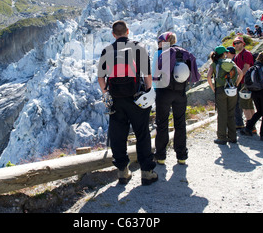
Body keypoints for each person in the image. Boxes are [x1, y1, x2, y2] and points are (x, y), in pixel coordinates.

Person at [97, 20, 158, 186]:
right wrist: (146, 92)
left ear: (113, 34)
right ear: (128, 31)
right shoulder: (139, 47)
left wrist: (107, 94)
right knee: (142, 133)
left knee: (118, 135)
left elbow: (101, 78)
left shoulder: (107, 50)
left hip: (116, 99)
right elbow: (147, 75)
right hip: (136, 97)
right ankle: (147, 172)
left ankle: (122, 172)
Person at [154, 32, 200, 164]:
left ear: (165, 42)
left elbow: (157, 76)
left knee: (162, 124)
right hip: (180, 93)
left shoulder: (164, 54)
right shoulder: (187, 54)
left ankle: (161, 156)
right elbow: (195, 76)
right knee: (180, 123)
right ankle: (181, 156)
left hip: (164, 92)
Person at [207, 46, 243, 144]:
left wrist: (214, 89)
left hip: (220, 90)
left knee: (222, 114)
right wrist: (236, 84)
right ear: (224, 54)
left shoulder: (214, 64)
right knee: (231, 113)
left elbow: (209, 77)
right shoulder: (231, 62)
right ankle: (233, 137)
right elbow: (241, 73)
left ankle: (222, 137)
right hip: (232, 90)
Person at [232, 36, 255, 130]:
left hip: (245, 82)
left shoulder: (247, 54)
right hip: (242, 82)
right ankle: (251, 125)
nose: (237, 45)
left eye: (238, 43)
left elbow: (246, 67)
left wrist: (238, 78)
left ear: (243, 43)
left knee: (246, 105)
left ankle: (250, 126)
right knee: (246, 104)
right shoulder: (237, 56)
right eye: (235, 43)